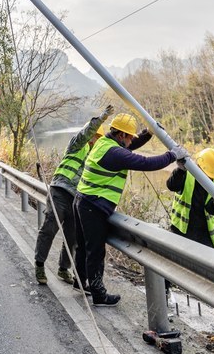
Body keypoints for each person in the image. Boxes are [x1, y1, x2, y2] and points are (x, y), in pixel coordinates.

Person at [74, 113, 177, 306]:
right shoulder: (115, 153)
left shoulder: (104, 143)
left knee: (82, 246)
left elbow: (129, 148)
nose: (131, 140)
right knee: (95, 251)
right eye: (130, 136)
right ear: (121, 135)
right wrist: (172, 155)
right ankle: (98, 294)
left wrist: (147, 134)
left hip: (82, 200)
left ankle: (79, 281)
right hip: (94, 206)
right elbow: (145, 163)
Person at [33, 104, 115, 286]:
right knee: (50, 227)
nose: (95, 140)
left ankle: (63, 268)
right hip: (59, 191)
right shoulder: (76, 145)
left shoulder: (97, 157)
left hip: (76, 199)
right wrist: (101, 119)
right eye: (95, 136)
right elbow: (84, 133)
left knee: (73, 236)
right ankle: (39, 264)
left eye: (99, 137)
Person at [166, 147, 214, 317]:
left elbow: (211, 210)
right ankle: (163, 293)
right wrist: (179, 169)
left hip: (203, 233)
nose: (207, 176)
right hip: (181, 228)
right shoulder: (186, 175)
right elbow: (171, 186)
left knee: (212, 271)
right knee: (170, 263)